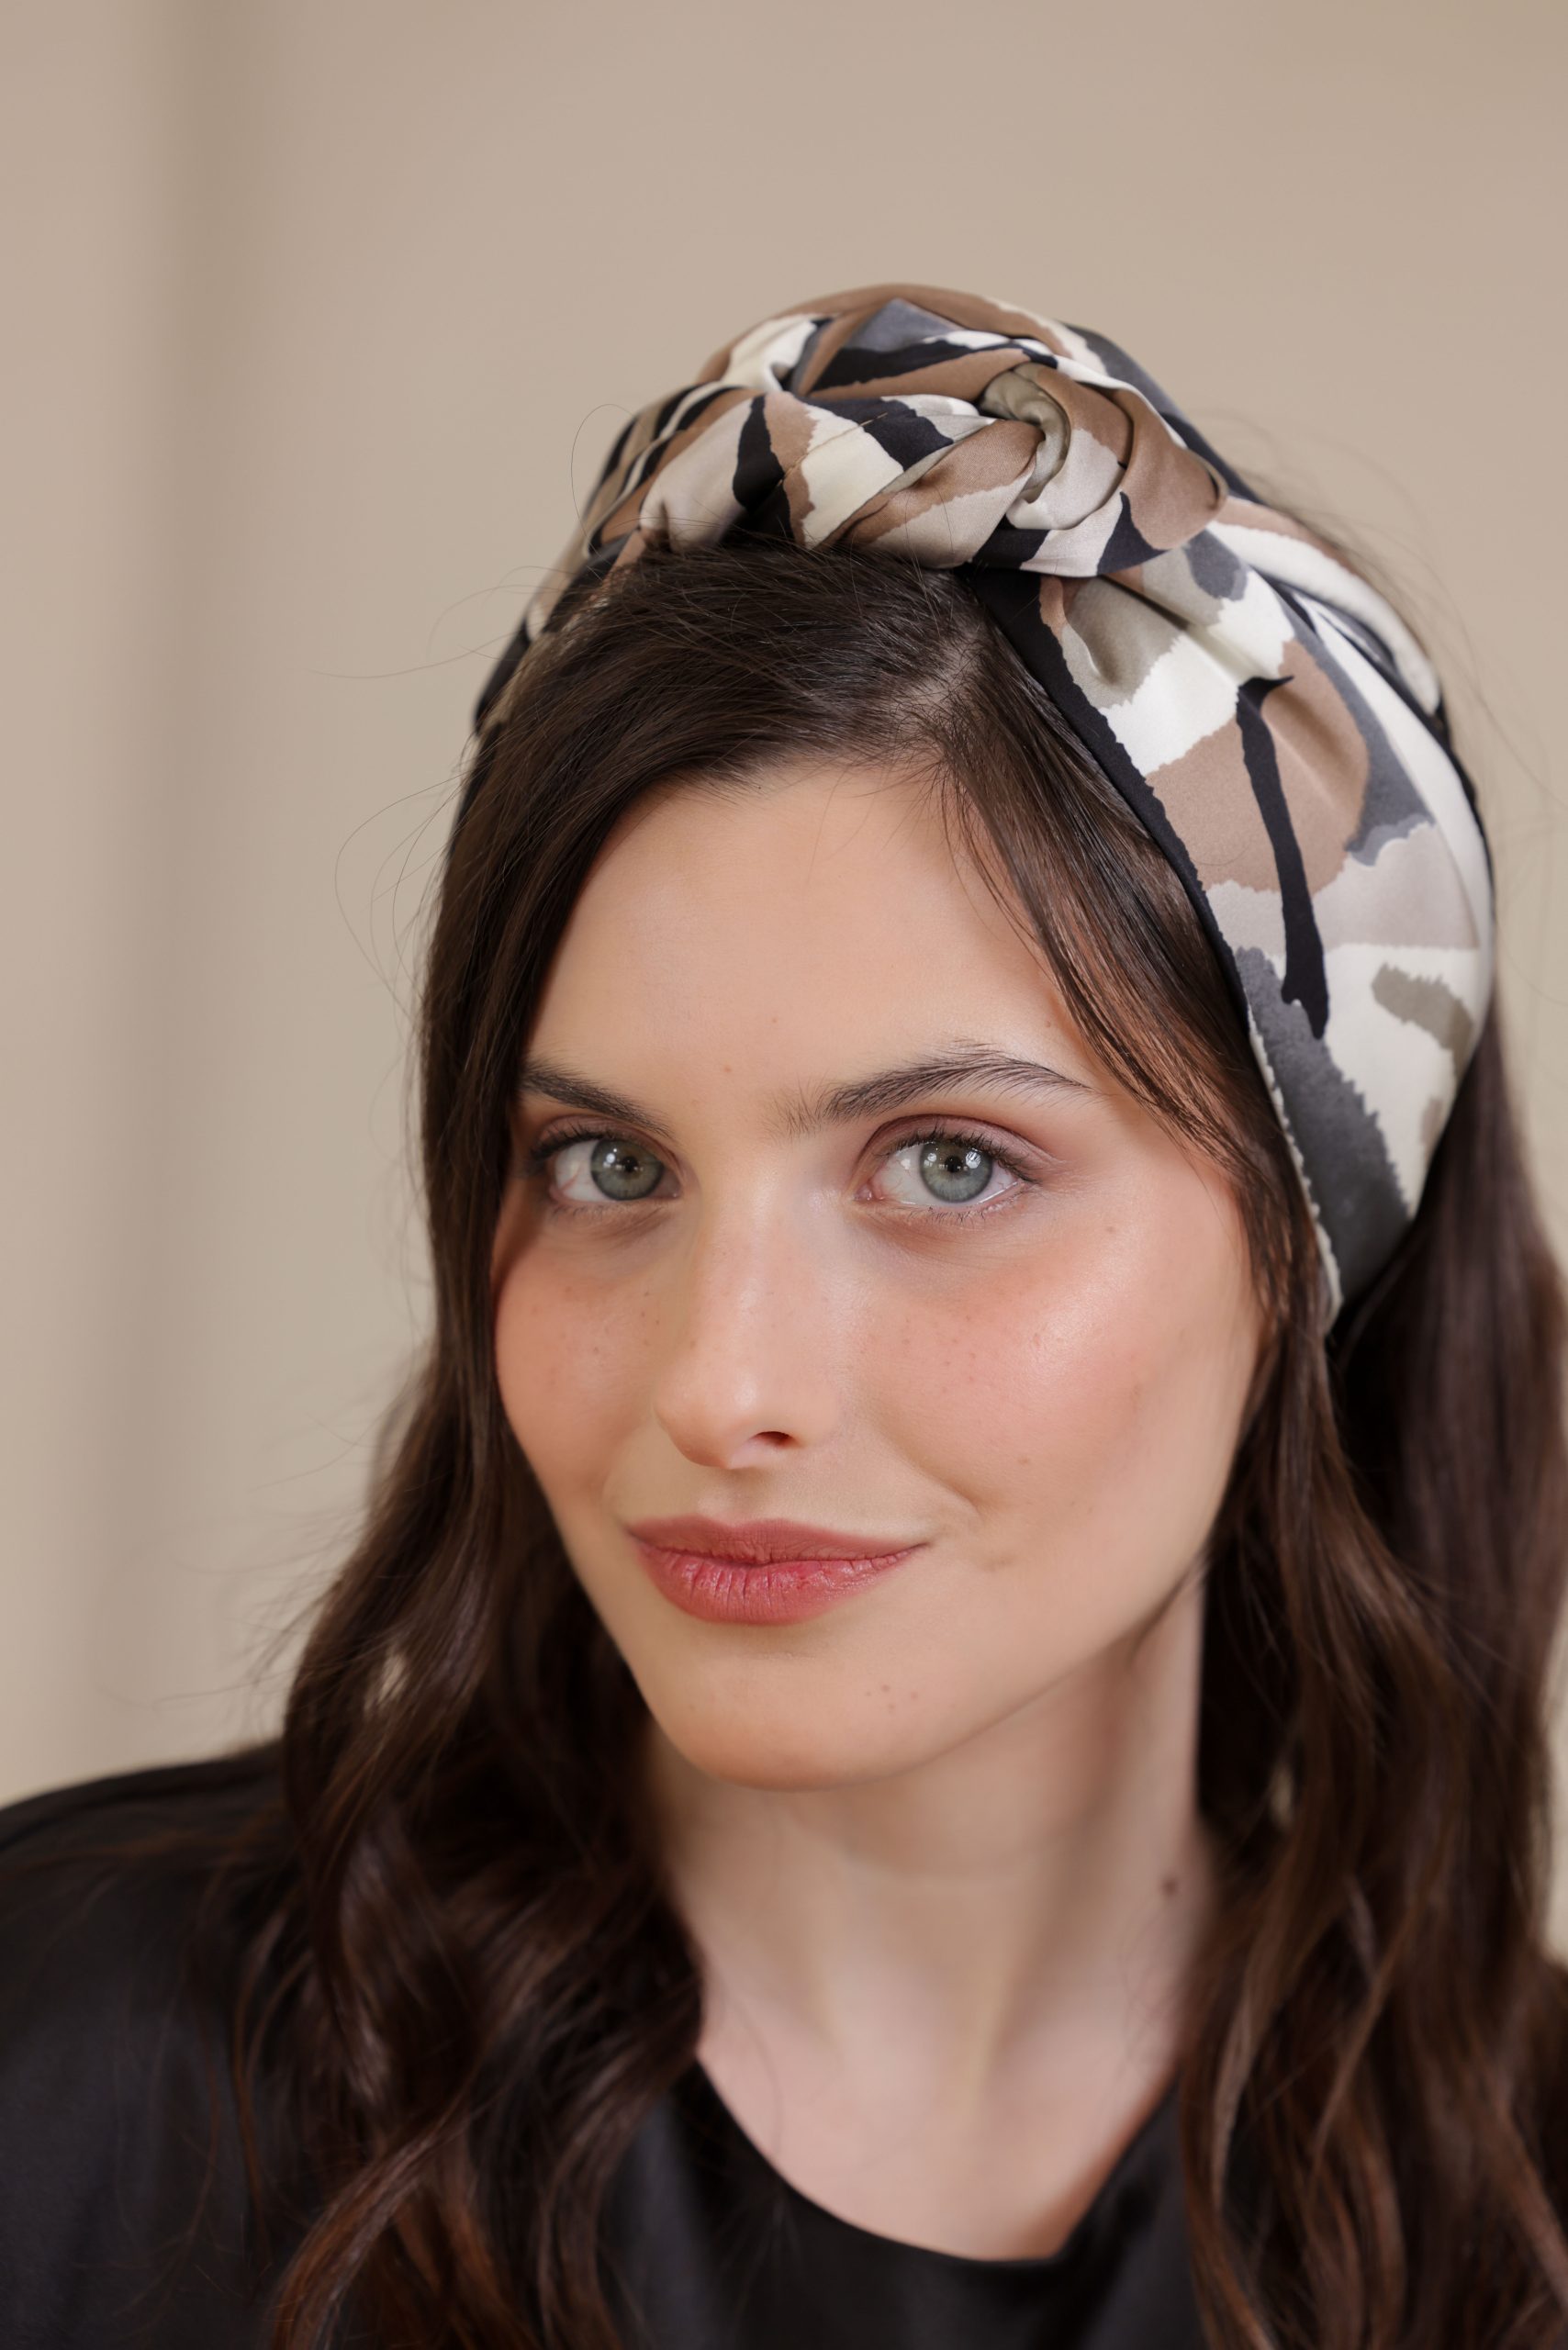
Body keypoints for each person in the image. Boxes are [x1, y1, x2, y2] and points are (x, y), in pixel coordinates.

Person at [3, 281, 1566, 2350]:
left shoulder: (1521, 2213)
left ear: (1310, 1241)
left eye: (951, 1165)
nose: (720, 1381)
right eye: (607, 1165)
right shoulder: (72, 2073)